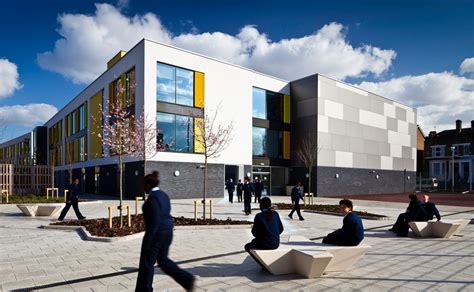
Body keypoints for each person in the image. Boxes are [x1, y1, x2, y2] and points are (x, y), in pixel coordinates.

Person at [136, 171, 195, 292]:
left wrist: (148, 241)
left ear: (148, 185)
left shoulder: (152, 199)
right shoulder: (164, 195)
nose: (142, 187)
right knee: (163, 260)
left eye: (143, 184)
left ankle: (144, 290)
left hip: (156, 235)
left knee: (147, 263)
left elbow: (155, 221)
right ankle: (187, 279)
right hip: (168, 232)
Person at [244, 197, 284, 268]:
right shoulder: (275, 214)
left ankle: (263, 265)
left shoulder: (259, 216)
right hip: (276, 242)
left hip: (266, 243)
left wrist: (262, 237)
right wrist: (273, 234)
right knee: (255, 242)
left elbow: (254, 232)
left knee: (247, 246)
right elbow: (281, 228)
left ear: (261, 205)